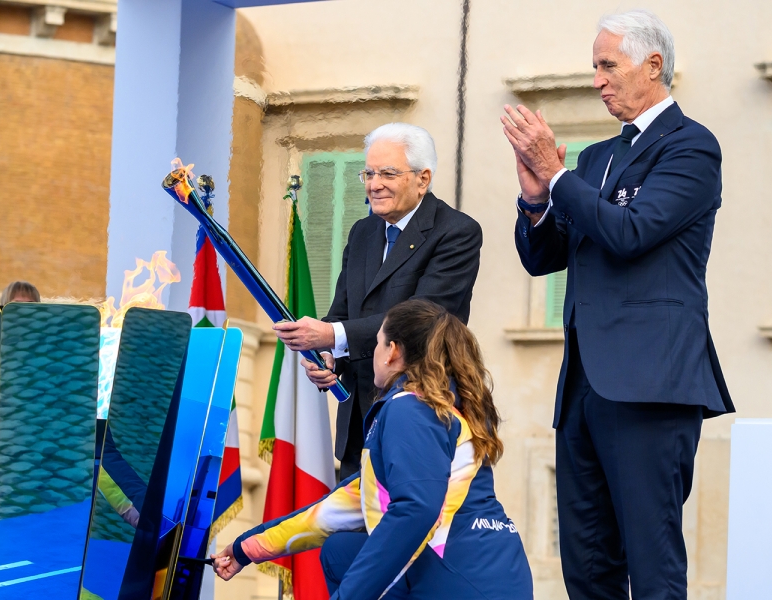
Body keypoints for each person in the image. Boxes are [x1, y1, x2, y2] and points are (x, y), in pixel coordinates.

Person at [500, 9, 734, 599]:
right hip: (583, 383)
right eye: (595, 67)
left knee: (651, 566)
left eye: (609, 65)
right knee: (587, 566)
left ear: (653, 66)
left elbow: (630, 233)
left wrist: (556, 173)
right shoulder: (596, 159)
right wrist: (535, 200)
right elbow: (546, 256)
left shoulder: (692, 146)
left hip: (650, 385)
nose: (598, 79)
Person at [212, 299, 533, 599]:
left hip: (463, 581)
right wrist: (246, 549)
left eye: (378, 342)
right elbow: (338, 508)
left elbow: (416, 510)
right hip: (498, 572)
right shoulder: (448, 409)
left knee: (346, 552)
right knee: (341, 550)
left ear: (392, 352)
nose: (373, 351)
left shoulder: (410, 409)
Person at [274, 123, 483, 477]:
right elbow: (341, 312)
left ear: (423, 178)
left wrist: (332, 336)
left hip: (419, 415)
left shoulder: (457, 232)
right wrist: (329, 356)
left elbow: (423, 319)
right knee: (350, 527)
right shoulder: (362, 233)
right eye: (368, 173)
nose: (374, 184)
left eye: (388, 173)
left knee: (407, 523)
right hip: (357, 423)